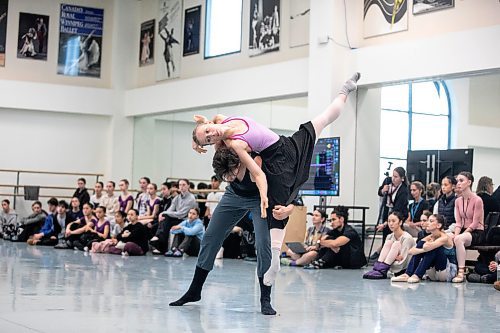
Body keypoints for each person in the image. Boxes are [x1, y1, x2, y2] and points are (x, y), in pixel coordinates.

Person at [194, 73, 360, 286]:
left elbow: (212, 127)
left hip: (288, 145)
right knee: (277, 210)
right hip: (276, 164)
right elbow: (258, 173)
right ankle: (274, 261)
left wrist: (196, 139)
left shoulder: (221, 119)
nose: (212, 135)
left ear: (209, 122)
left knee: (322, 119)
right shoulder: (233, 144)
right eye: (208, 140)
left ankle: (345, 91)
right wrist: (264, 196)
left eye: (208, 131)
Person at [169, 167, 289, 315]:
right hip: (235, 193)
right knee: (210, 238)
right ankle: (195, 290)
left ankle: (265, 298)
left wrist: (287, 205)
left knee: (263, 244)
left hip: (260, 195)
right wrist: (196, 142)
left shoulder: (251, 149)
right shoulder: (229, 152)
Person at [392, 214, 456, 283]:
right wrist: (423, 249)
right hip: (433, 273)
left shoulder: (444, 237)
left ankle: (417, 275)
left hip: (447, 272)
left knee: (433, 248)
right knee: (421, 244)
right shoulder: (430, 236)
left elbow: (427, 247)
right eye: (428, 221)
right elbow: (411, 251)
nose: (428, 223)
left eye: (431, 221)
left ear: (438, 225)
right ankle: (408, 274)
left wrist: (425, 248)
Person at [453, 171, 485, 283]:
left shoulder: (478, 200)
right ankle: (448, 268)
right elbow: (458, 222)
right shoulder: (457, 201)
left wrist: (460, 235)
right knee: (449, 237)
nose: (458, 183)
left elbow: (475, 223)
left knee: (459, 239)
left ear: (469, 182)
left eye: (461, 181)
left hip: (477, 232)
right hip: (463, 230)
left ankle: (461, 271)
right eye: (457, 181)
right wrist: (456, 234)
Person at [150, 179, 197, 254]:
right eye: (180, 185)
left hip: (186, 220)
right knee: (165, 217)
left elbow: (181, 214)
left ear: (188, 186)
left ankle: (159, 239)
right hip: (177, 218)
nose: (181, 187)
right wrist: (163, 214)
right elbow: (170, 210)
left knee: (165, 217)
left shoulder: (191, 198)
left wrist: (163, 213)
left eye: (184, 185)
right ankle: (160, 242)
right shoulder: (177, 198)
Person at [363, 211, 415, 279]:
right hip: (391, 267)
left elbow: (403, 261)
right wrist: (395, 257)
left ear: (400, 222)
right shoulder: (389, 236)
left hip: (404, 269)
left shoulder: (407, 238)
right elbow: (392, 256)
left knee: (396, 244)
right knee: (389, 243)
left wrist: (391, 257)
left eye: (393, 221)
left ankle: (382, 269)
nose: (390, 224)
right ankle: (379, 268)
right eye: (389, 221)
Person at [372, 167, 410, 259]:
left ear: (402, 178)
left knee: (393, 231)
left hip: (398, 213)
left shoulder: (403, 190)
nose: (393, 178)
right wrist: (383, 190)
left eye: (396, 177)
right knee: (386, 234)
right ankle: (384, 254)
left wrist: (386, 223)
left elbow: (398, 209)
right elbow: (379, 192)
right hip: (387, 210)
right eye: (393, 176)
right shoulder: (387, 181)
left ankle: (393, 255)